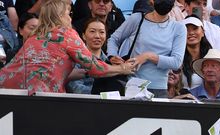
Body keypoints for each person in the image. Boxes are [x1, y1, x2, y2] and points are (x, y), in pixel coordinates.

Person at [0, 0, 134, 92]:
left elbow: (46, 69)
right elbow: (96, 68)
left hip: (7, 89)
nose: (70, 18)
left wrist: (84, 73)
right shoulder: (65, 34)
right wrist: (123, 68)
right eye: (68, 13)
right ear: (60, 16)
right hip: (39, 95)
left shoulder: (35, 36)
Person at [107, 0, 186, 97]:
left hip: (160, 89)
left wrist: (148, 56)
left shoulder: (179, 28)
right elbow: (114, 39)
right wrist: (112, 56)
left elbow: (176, 62)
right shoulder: (137, 19)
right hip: (133, 85)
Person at [67, 18, 109, 93]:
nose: (97, 36)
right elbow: (75, 87)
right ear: (83, 36)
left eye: (102, 32)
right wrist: (101, 93)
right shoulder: (75, 60)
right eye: (92, 31)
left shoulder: (109, 61)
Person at [181, 16, 211, 88]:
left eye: (195, 29)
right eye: (186, 30)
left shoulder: (212, 56)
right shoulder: (177, 58)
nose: (191, 33)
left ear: (203, 32)